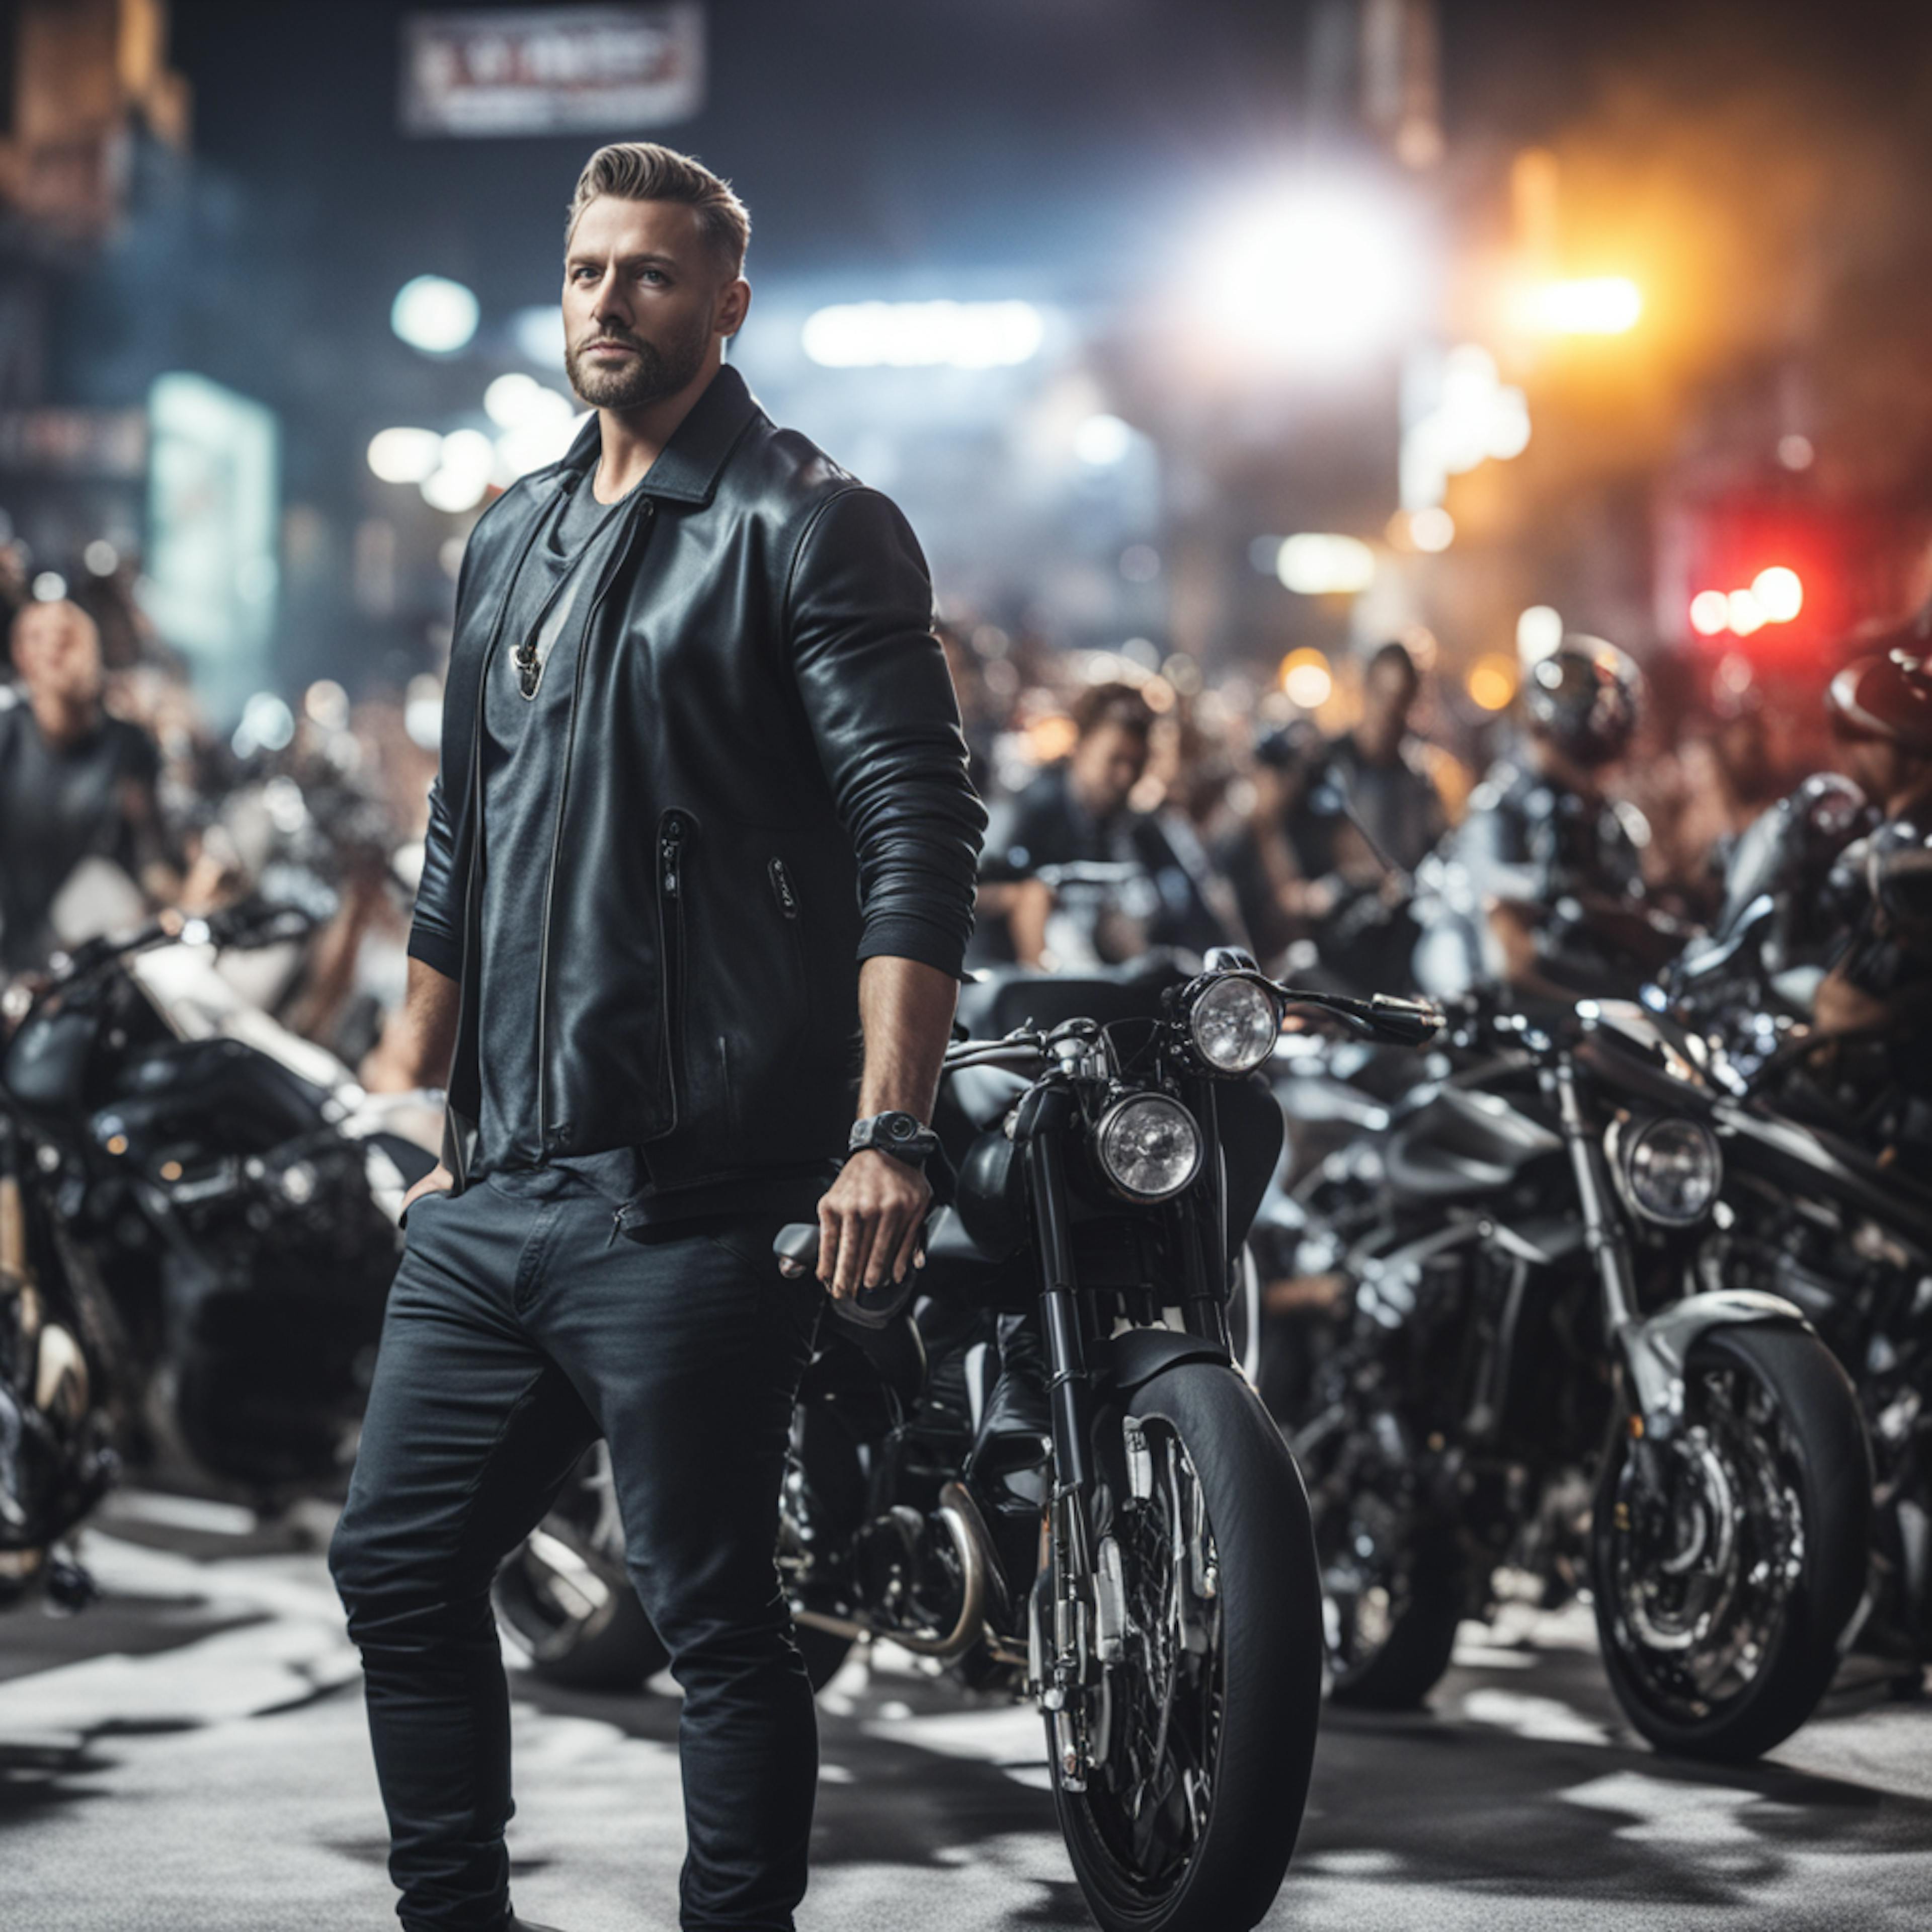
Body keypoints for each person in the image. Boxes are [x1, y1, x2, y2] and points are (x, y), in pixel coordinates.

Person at [327, 143, 985, 1932]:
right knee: (398, 1566)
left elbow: (913, 836)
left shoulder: (807, 524)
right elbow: (462, 836)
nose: (610, 304)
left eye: (652, 276)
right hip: (501, 1191)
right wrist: (413, 1077)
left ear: (727, 305)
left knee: (714, 1622)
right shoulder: (512, 537)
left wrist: (887, 1132)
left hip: (695, 1189)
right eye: (589, 273)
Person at [1413, 635, 1669, 1001]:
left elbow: (1630, 910)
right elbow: (1501, 923)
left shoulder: (1610, 819)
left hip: (1572, 990)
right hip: (1480, 1007)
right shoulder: (1502, 810)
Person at [980, 680, 1231, 967]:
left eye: (1137, 765)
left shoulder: (1136, 827)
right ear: (1082, 746)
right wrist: (1030, 897)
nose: (1125, 777)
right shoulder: (1029, 808)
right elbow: (970, 886)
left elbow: (1196, 913)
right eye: (1115, 760)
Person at [0, 598, 175, 972]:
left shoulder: (129, 745)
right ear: (19, 655)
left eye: (66, 636)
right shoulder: (8, 735)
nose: (52, 647)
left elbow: (154, 858)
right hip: (11, 952)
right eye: (36, 637)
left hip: (98, 954)